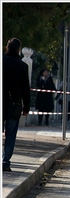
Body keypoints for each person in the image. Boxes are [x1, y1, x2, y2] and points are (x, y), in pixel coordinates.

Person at [2, 38, 31, 172]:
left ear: (7, 47)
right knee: (11, 134)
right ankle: (5, 161)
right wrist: (26, 108)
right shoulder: (22, 66)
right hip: (15, 103)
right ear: (19, 50)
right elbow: (26, 88)